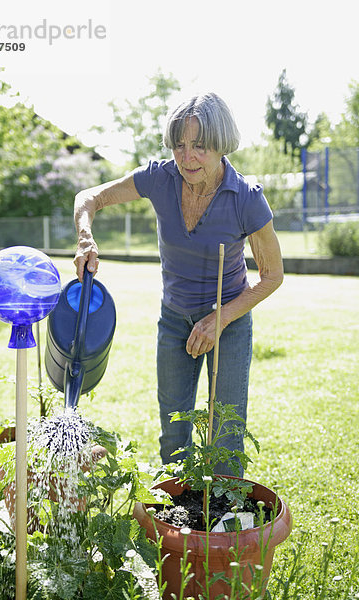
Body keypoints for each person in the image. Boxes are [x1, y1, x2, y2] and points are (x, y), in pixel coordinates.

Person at [73, 92, 283, 476]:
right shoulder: (160, 178)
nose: (186, 158)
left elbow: (273, 275)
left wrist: (220, 318)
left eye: (199, 147)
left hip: (229, 324)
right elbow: (89, 197)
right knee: (173, 436)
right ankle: (178, 527)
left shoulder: (246, 199)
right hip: (174, 322)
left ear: (221, 145)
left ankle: (224, 527)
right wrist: (85, 237)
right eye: (179, 146)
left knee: (225, 437)